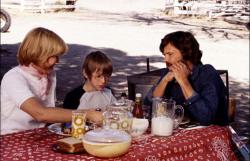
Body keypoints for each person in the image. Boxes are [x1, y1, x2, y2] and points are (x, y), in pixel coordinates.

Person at [0, 27, 102, 135]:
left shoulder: (49, 75)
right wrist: (87, 114)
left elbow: (50, 111)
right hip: (13, 137)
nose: (57, 61)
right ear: (38, 54)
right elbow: (41, 113)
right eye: (54, 56)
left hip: (40, 134)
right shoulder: (14, 78)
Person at [145, 31, 228, 126]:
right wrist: (164, 81)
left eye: (170, 54)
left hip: (210, 136)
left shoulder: (207, 74)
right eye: (164, 55)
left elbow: (206, 118)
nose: (166, 60)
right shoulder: (168, 72)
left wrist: (183, 81)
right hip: (177, 134)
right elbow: (148, 110)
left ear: (187, 53)